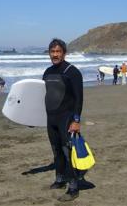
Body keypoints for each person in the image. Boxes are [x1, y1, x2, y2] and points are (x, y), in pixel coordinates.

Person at [43, 38, 83, 202]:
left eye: (58, 51)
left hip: (66, 118)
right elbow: (44, 96)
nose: (55, 54)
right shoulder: (47, 72)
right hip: (51, 119)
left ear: (64, 53)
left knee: (68, 152)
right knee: (56, 150)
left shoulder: (72, 72)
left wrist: (76, 120)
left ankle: (73, 187)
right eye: (52, 52)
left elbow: (79, 99)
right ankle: (59, 179)